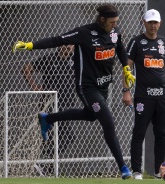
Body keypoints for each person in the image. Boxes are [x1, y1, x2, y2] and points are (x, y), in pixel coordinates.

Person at [13, 4, 135, 179]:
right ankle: (123, 167)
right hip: (87, 87)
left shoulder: (115, 32)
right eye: (111, 22)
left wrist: (126, 68)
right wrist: (29, 45)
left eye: (116, 21)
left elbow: (120, 48)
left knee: (91, 115)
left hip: (104, 86)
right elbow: (56, 40)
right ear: (101, 20)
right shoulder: (84, 33)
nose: (114, 24)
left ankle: (48, 118)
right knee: (108, 122)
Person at [122, 9, 165, 179]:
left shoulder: (164, 42)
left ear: (160, 23)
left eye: (155, 22)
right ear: (144, 22)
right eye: (150, 22)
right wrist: (126, 91)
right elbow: (127, 66)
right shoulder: (137, 42)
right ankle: (137, 171)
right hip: (143, 96)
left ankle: (158, 171)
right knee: (139, 132)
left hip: (162, 96)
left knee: (161, 133)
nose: (153, 25)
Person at [22, 45, 75, 175]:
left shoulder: (75, 60)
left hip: (67, 103)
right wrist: (34, 86)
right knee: (62, 135)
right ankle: (44, 163)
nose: (68, 47)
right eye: (65, 44)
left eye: (71, 44)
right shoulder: (50, 59)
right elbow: (26, 68)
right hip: (50, 102)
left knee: (60, 136)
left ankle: (48, 168)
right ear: (59, 46)